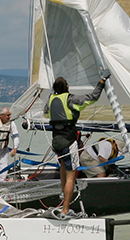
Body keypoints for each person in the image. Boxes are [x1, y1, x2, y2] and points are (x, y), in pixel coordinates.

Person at [46, 69, 109, 217]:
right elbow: (93, 97)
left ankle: (63, 201)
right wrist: (102, 81)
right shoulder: (70, 99)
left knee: (63, 168)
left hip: (56, 142)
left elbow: (46, 113)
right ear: (67, 87)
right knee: (71, 175)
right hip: (68, 141)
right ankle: (65, 210)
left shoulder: (50, 99)